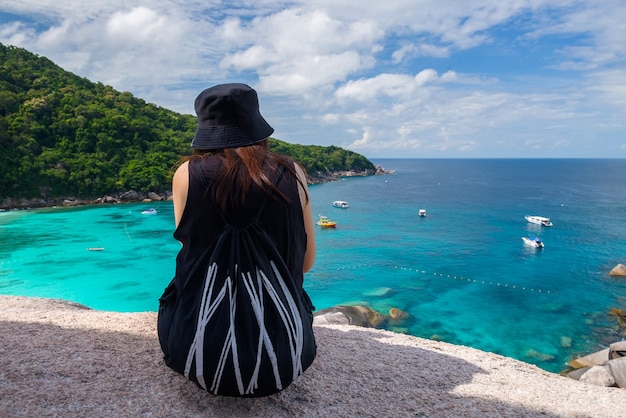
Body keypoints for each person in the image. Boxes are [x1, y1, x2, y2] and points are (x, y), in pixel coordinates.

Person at [158, 83, 316, 396]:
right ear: (257, 124)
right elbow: (306, 264)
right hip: (285, 355)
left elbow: (190, 251)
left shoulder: (186, 174)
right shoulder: (293, 173)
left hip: (201, 351)